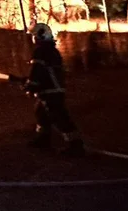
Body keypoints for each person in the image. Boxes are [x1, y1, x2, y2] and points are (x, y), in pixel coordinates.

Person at [21, 23, 85, 157]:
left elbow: (37, 70)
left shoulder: (41, 51)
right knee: (41, 112)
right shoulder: (50, 50)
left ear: (40, 36)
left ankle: (75, 144)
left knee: (58, 116)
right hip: (52, 88)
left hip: (51, 89)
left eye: (34, 36)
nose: (33, 40)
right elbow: (43, 71)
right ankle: (43, 138)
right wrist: (31, 83)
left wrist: (31, 84)